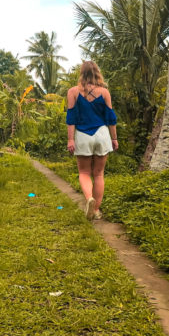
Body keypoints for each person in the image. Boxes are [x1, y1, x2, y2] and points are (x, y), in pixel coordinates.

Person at [66, 61, 118, 220]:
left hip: (83, 135)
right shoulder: (104, 92)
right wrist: (114, 138)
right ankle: (96, 210)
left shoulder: (73, 92)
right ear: (97, 72)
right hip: (102, 134)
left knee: (84, 172)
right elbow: (111, 119)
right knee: (99, 174)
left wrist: (70, 139)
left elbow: (71, 118)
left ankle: (89, 198)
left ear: (81, 73)